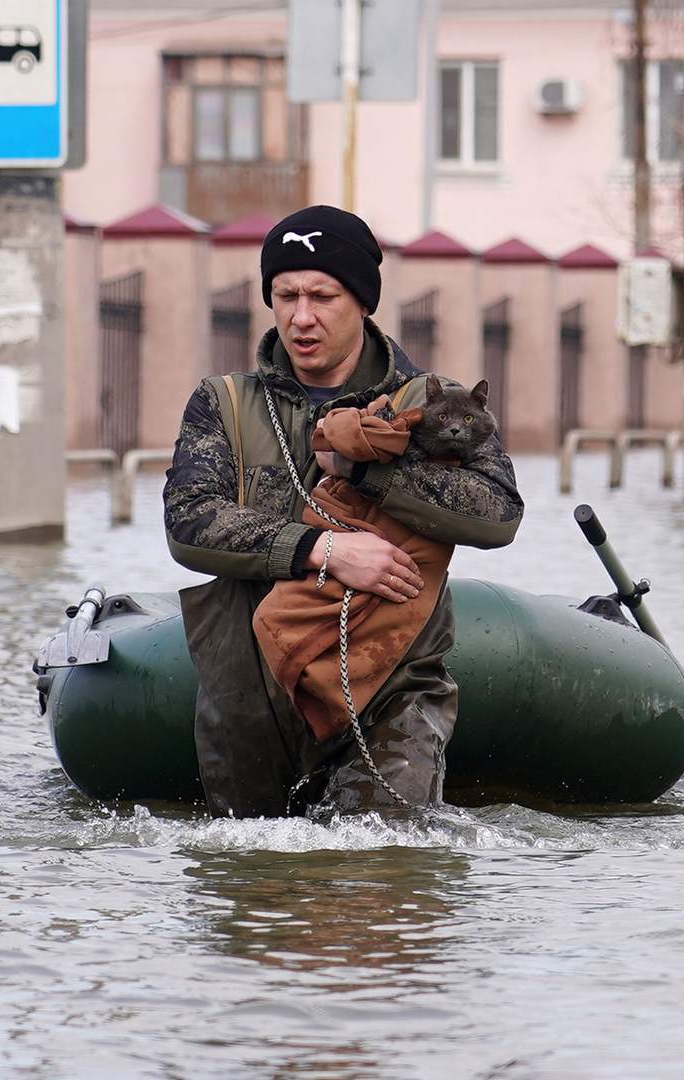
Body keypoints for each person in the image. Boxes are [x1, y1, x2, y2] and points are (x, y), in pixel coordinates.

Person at [162, 205, 523, 817]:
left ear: (362, 301)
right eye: (286, 295)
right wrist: (323, 550)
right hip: (253, 691)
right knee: (255, 887)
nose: (302, 316)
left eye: (322, 295)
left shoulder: (432, 404)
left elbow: (497, 514)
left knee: (376, 874)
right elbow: (190, 521)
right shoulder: (222, 403)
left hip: (393, 686)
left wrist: (365, 469)